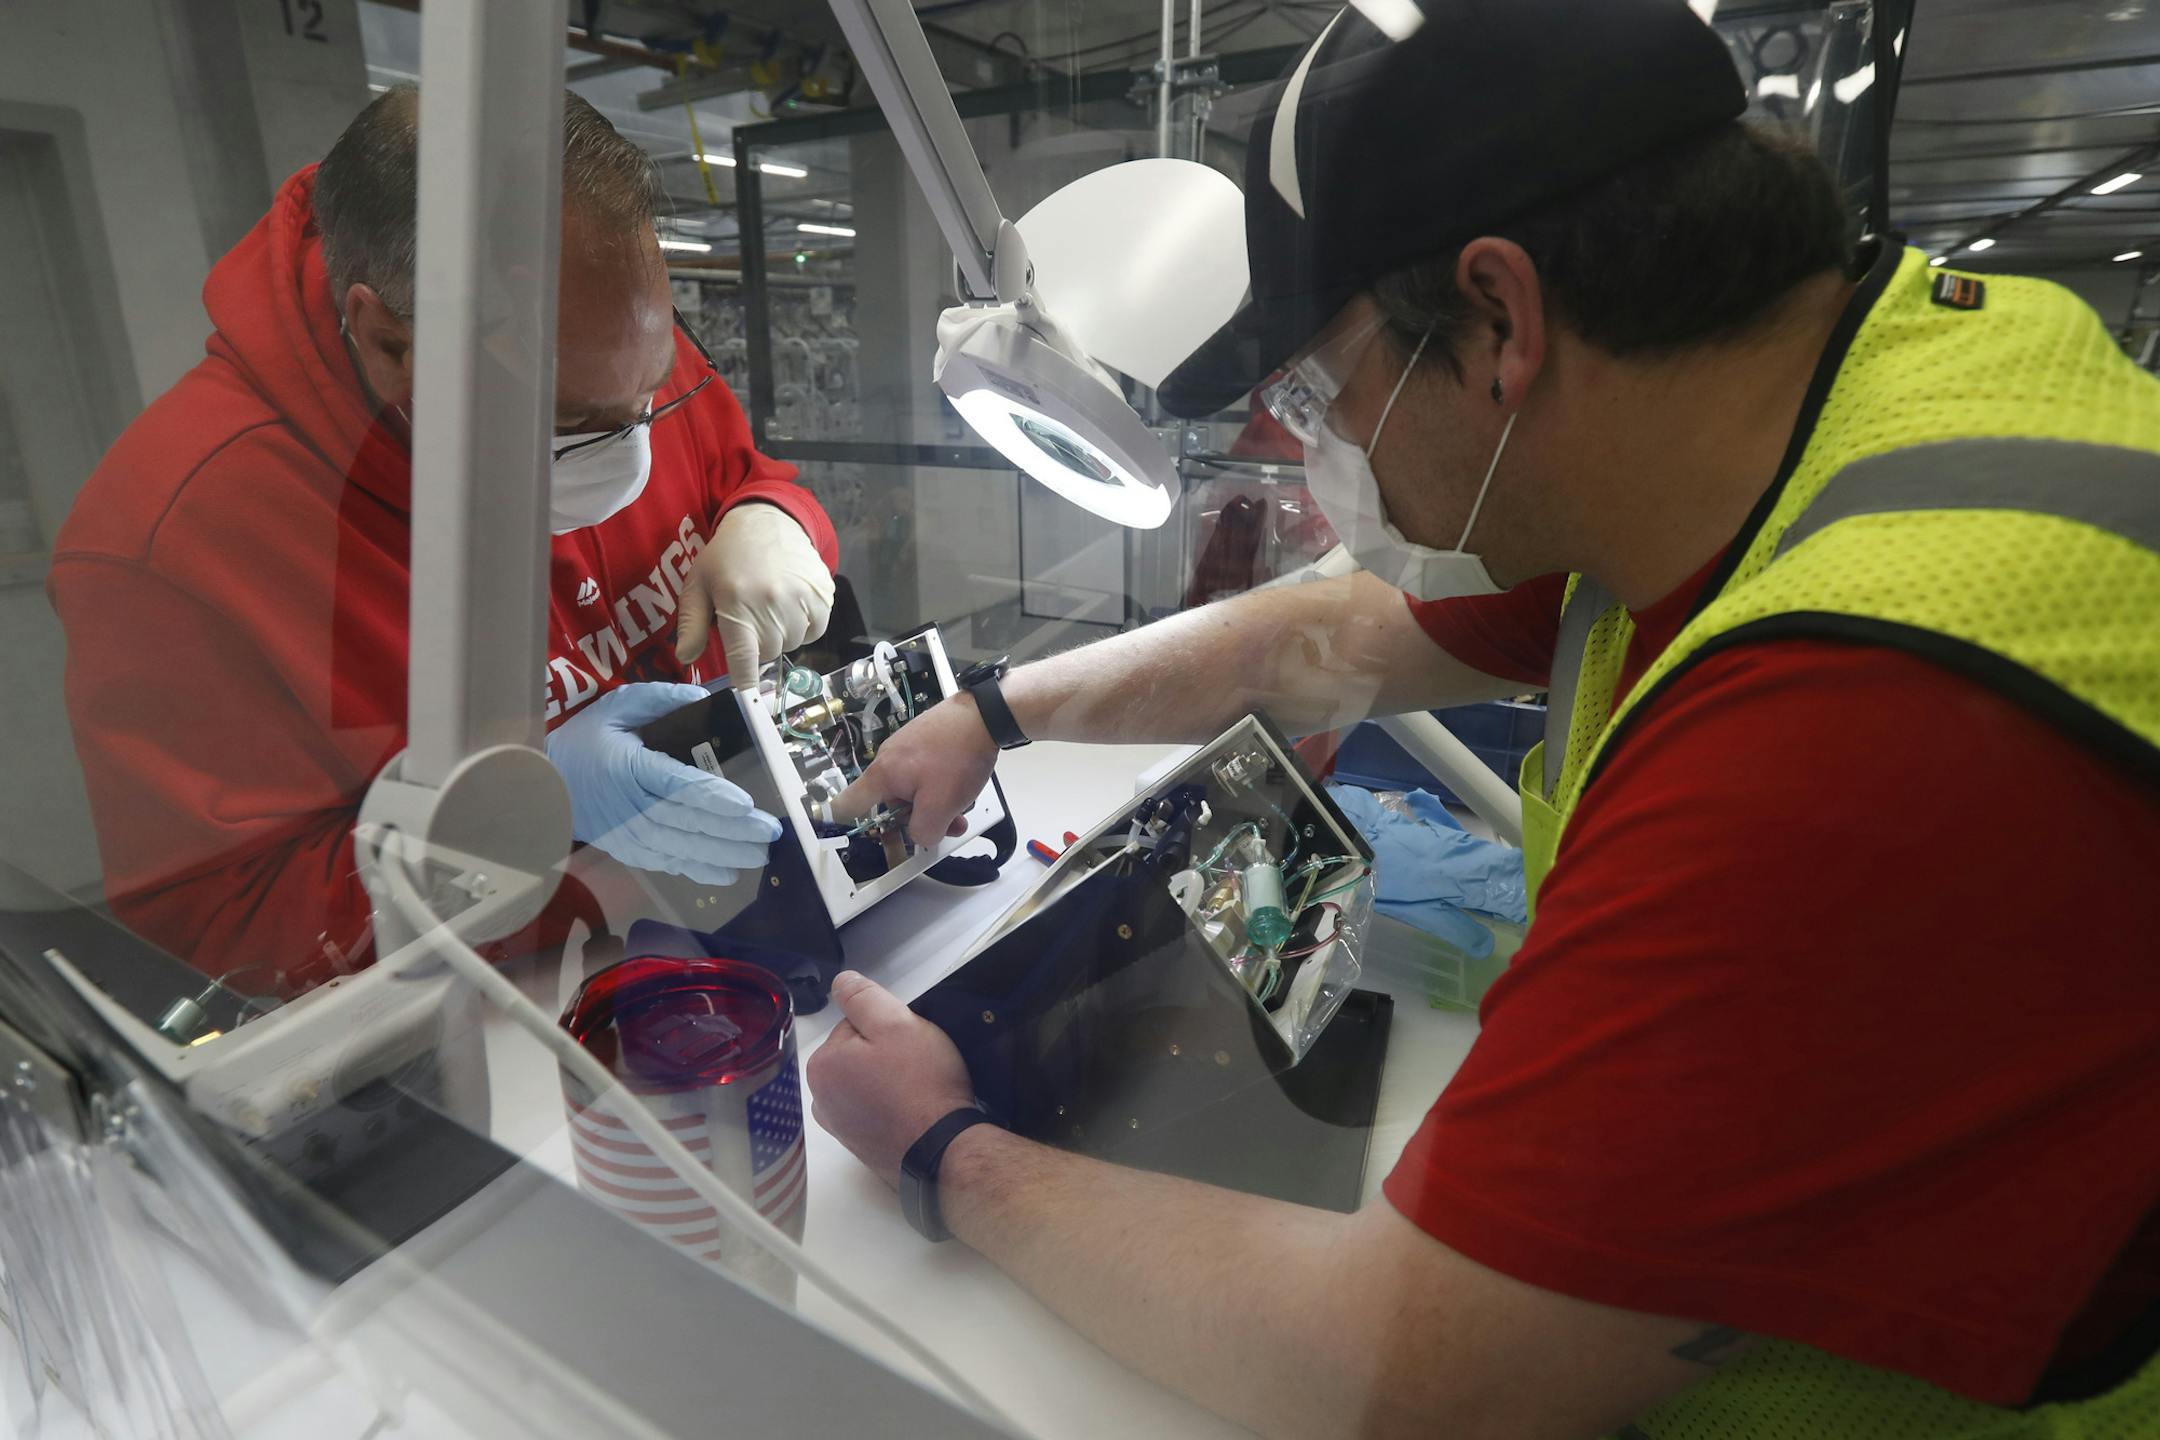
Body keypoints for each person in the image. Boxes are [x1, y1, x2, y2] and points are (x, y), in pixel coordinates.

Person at [805, 3, 2160, 1437]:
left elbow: (1404, 1372)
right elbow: (1332, 637)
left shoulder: (1852, 721)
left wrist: (944, 1149)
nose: (1323, 448)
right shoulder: (1807, 408)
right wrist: (993, 712)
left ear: (1501, 319)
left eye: (1325, 388)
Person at [48, 88, 837, 997]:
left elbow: (747, 476)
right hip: (501, 1020)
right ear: (387, 343)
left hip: (731, 922)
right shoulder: (174, 543)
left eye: (652, 395)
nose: (632, 452)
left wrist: (777, 518)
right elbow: (226, 932)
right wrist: (511, 817)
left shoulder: (603, 339)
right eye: (571, 425)